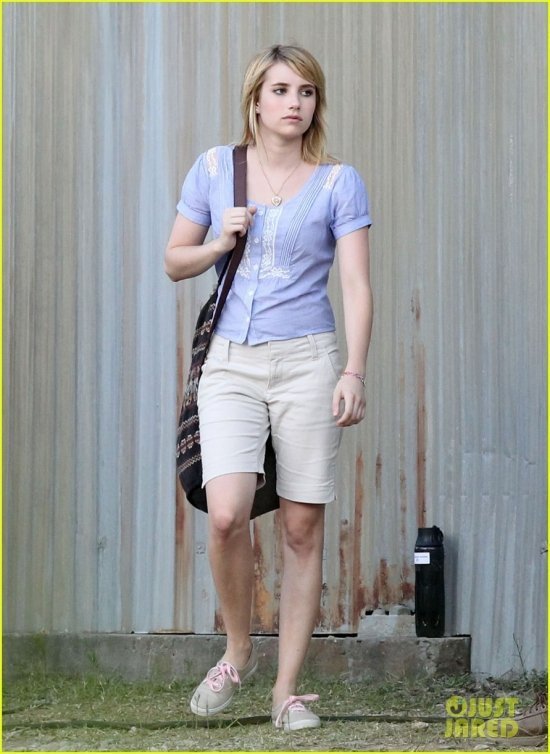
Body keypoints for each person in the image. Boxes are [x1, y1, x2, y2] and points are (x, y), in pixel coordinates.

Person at [165, 43, 373, 731]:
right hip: (230, 362)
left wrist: (353, 370)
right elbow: (173, 260)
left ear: (316, 104)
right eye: (281, 90)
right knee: (226, 513)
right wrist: (217, 244)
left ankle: (286, 692)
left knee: (301, 526)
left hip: (308, 361)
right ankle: (238, 648)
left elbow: (355, 284)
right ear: (255, 100)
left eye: (306, 92)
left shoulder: (339, 182)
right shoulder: (215, 170)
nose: (294, 103)